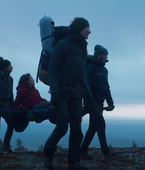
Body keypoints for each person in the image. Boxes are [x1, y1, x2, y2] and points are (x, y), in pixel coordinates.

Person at [44, 17, 92, 170]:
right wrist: (55, 93)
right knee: (62, 127)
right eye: (87, 29)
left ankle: (74, 162)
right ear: (79, 29)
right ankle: (48, 153)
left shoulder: (82, 47)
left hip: (77, 93)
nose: (89, 31)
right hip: (62, 93)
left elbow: (81, 73)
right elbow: (52, 69)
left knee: (77, 129)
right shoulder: (63, 44)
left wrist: (87, 94)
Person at [81, 45, 117, 160]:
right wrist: (89, 100)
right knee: (101, 124)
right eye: (105, 55)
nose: (106, 57)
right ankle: (106, 152)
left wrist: (110, 102)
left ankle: (82, 151)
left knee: (93, 127)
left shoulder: (104, 70)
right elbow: (85, 85)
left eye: (107, 55)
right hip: (91, 101)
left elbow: (106, 87)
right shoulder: (90, 68)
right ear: (99, 56)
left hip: (99, 102)